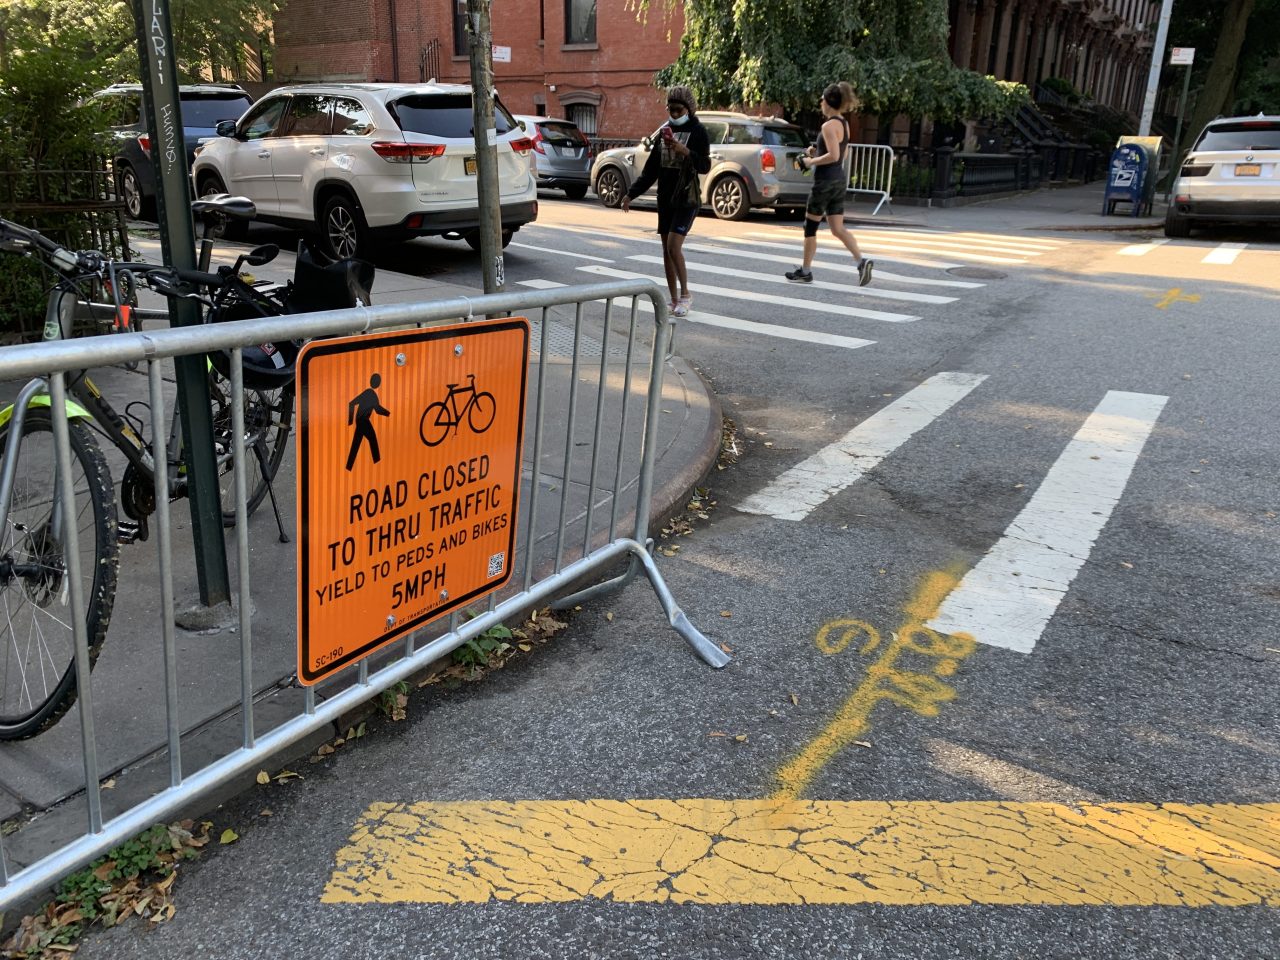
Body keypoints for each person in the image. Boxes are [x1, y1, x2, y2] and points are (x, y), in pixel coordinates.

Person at [620, 85, 711, 317]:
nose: (674, 114)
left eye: (679, 110)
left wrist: (685, 151)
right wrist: (631, 194)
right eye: (671, 109)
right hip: (665, 199)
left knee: (673, 246)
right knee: (665, 250)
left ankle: (686, 295)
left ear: (689, 109)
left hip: (686, 198)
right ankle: (672, 299)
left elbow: (705, 165)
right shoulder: (664, 133)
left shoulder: (698, 132)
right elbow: (651, 171)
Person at [785, 82, 873, 287]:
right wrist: (816, 153)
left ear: (829, 102)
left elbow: (833, 155)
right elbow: (843, 153)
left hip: (824, 182)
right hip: (839, 180)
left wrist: (810, 161)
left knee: (810, 227)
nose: (820, 103)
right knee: (837, 228)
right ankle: (862, 261)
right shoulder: (844, 123)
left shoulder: (827, 126)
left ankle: (805, 271)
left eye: (822, 99)